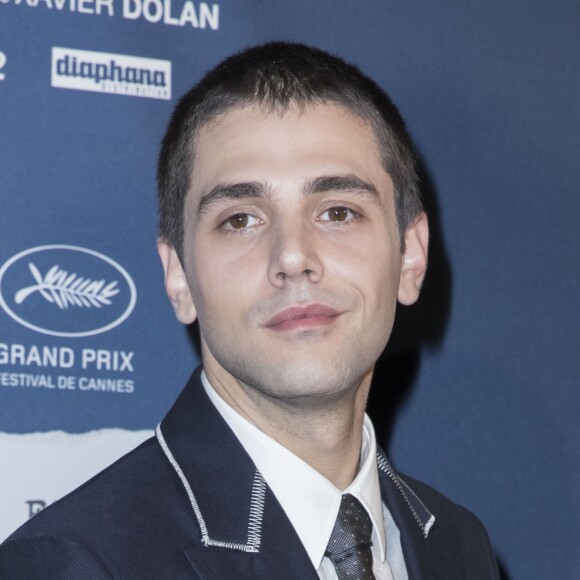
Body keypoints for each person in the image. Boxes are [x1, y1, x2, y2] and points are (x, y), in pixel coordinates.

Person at [0, 42, 500, 579]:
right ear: (178, 276)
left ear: (411, 256)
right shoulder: (75, 562)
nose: (293, 257)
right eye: (240, 219)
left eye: (337, 212)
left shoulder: (457, 544)